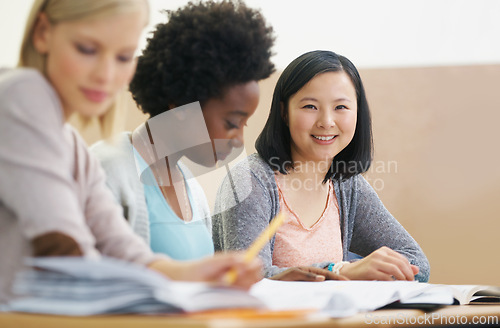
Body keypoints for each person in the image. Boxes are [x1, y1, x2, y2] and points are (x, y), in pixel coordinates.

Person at [0, 0, 262, 303]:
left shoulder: (72, 146)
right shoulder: (22, 93)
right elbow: (64, 246)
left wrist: (199, 273)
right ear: (43, 32)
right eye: (87, 49)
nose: (106, 74)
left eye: (124, 57)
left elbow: (121, 248)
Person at [90, 1, 343, 282]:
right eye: (232, 123)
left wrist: (266, 280)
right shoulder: (105, 170)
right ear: (182, 106)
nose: (238, 141)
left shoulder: (192, 190)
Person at [213, 50, 431, 282]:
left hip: (332, 318)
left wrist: (360, 270)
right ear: (283, 112)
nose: (326, 122)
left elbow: (417, 264)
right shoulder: (250, 181)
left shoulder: (347, 185)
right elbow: (249, 276)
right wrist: (339, 271)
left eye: (341, 107)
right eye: (310, 106)